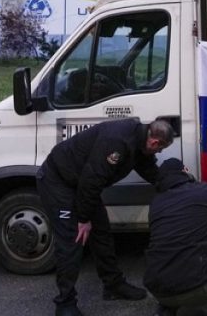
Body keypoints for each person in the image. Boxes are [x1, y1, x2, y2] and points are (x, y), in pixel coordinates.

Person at [37, 118, 175, 316]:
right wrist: (83, 220)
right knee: (73, 239)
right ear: (155, 142)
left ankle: (113, 286)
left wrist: (176, 186)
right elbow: (91, 181)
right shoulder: (118, 142)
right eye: (160, 149)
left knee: (102, 232)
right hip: (59, 182)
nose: (159, 153)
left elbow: (149, 170)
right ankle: (65, 303)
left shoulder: (138, 140)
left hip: (83, 185)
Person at [144, 159, 207, 316]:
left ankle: (166, 309)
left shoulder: (155, 203)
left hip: (158, 291)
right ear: (185, 170)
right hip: (200, 288)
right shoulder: (205, 191)